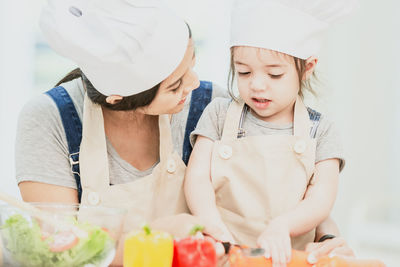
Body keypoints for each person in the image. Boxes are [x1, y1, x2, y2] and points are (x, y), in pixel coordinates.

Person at [15, 0, 354, 265]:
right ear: (121, 98)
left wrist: (326, 238)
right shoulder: (51, 120)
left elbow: (282, 190)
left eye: (192, 62)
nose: (194, 84)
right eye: (176, 84)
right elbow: (61, 252)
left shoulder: (212, 103)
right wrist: (166, 237)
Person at [184, 0, 356, 266]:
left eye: (274, 74)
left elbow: (321, 197)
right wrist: (214, 228)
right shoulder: (219, 114)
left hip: (288, 259)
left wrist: (284, 226)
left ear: (308, 68)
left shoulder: (320, 130)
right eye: (243, 72)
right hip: (223, 254)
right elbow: (197, 178)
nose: (257, 85)